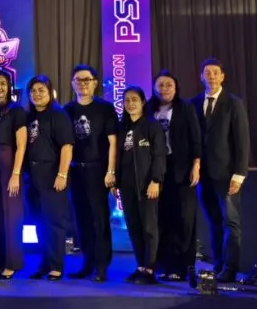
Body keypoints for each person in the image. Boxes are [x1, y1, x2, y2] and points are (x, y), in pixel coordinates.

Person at [192, 58, 250, 283]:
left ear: (222, 76)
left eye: (215, 72)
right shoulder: (194, 102)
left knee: (231, 223)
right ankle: (217, 266)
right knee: (214, 221)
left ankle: (230, 269)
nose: (211, 76)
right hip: (203, 175)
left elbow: (242, 141)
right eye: (207, 72)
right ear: (201, 76)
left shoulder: (234, 103)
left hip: (227, 175)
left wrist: (239, 175)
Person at [63, 65, 117, 281]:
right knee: (81, 219)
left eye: (87, 79)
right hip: (76, 170)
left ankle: (102, 265)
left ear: (95, 83)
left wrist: (111, 171)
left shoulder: (105, 109)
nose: (83, 83)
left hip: (98, 170)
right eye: (78, 80)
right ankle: (87, 262)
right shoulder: (67, 110)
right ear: (72, 84)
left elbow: (113, 142)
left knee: (99, 219)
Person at [149, 70, 202, 281]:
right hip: (156, 169)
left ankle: (181, 267)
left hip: (182, 169)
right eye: (160, 85)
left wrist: (196, 164)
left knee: (183, 218)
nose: (164, 89)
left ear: (176, 87)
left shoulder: (186, 108)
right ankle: (162, 264)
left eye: (169, 85)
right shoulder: (148, 108)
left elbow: (196, 138)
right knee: (161, 218)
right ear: (154, 88)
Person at [23, 75, 74, 281]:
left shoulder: (58, 115)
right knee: (39, 222)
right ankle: (45, 264)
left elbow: (67, 147)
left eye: (41, 90)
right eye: (33, 91)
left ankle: (56, 266)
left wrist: (62, 174)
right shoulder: (29, 116)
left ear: (50, 92)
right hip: (32, 176)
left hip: (52, 174)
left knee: (54, 222)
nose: (37, 94)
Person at [115, 86, 167, 284]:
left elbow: (159, 155)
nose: (130, 104)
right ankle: (140, 266)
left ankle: (150, 269)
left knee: (149, 228)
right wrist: (116, 180)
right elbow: (117, 156)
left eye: (134, 99)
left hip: (147, 184)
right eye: (127, 100)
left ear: (143, 102)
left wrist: (156, 180)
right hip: (126, 185)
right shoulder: (123, 127)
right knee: (134, 227)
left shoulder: (152, 126)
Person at [0, 70, 28, 280]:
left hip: (9, 167)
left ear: (9, 86)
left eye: (3, 83)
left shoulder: (17, 110)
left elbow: (21, 145)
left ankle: (12, 264)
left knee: (11, 216)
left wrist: (16, 174)